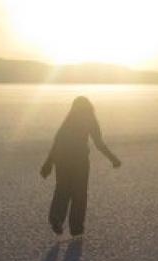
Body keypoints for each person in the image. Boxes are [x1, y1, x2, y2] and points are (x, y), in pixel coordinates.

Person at [41, 96, 120, 236]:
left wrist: (49, 163)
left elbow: (57, 142)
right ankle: (76, 227)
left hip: (62, 160)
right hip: (80, 162)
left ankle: (57, 217)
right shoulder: (90, 119)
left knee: (62, 190)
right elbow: (98, 143)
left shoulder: (69, 119)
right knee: (79, 194)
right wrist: (112, 158)